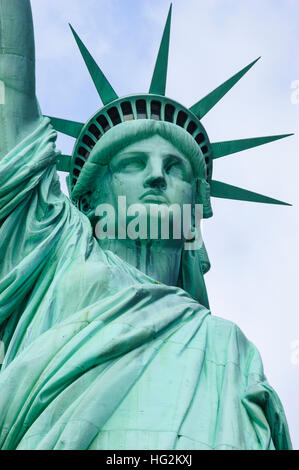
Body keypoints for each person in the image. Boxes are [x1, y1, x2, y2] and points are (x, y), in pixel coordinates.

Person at [0, 0, 292, 450]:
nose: (157, 175)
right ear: (88, 200)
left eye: (174, 168)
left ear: (195, 212)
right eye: (134, 163)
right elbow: (8, 77)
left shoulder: (230, 348)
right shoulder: (49, 255)